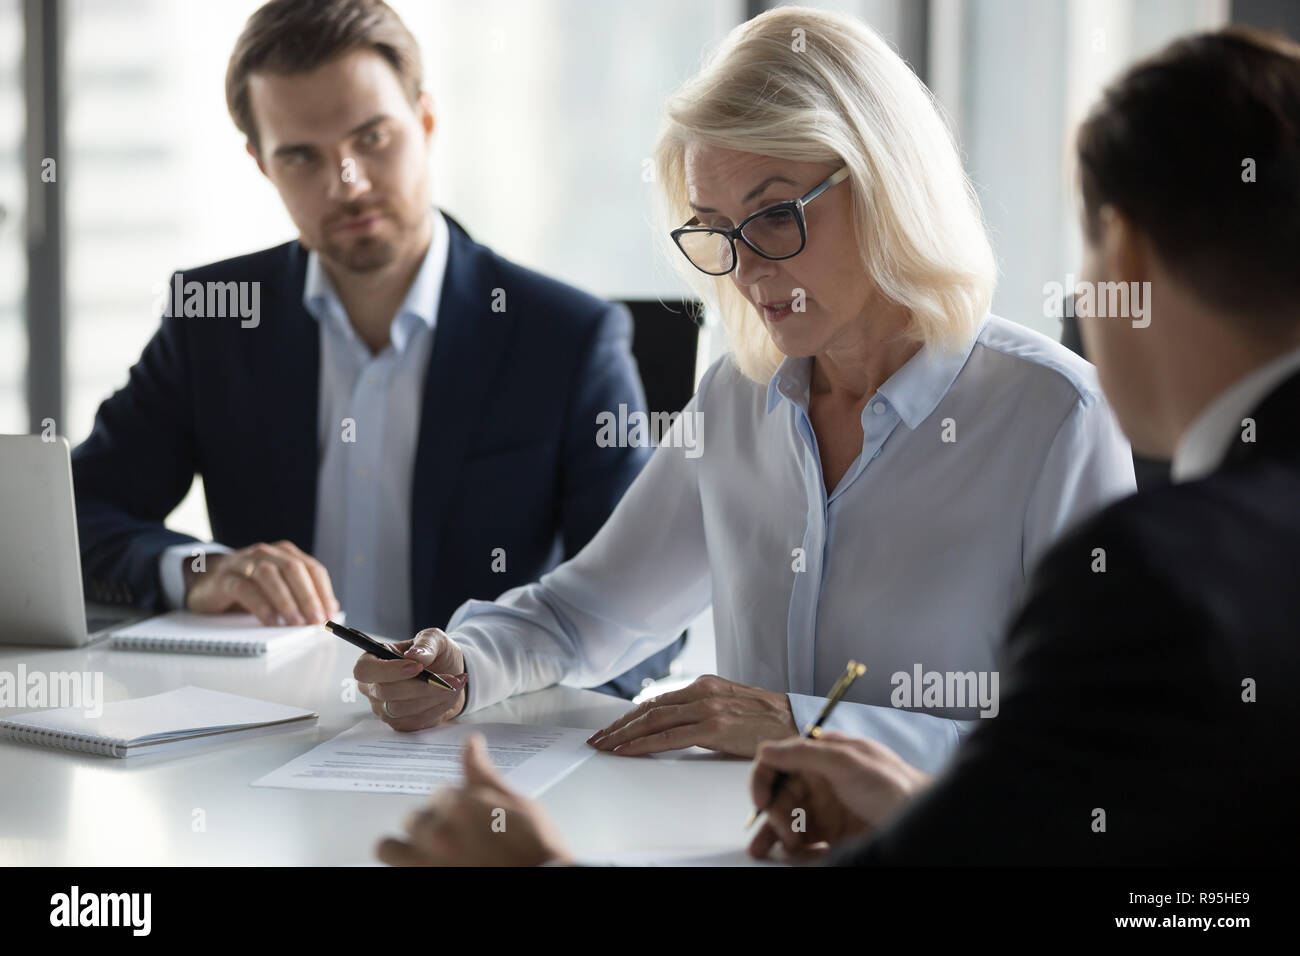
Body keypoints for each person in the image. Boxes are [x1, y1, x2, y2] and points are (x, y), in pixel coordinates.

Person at [374, 23, 1300, 871]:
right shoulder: (737, 397)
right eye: (717, 230)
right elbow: (585, 614)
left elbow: (1072, 765)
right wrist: (463, 663)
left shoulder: (1050, 414)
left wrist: (806, 727)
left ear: (885, 185)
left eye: (776, 215)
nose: (745, 268)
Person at [70, 0, 680, 698]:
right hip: (264, 736)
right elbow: (71, 525)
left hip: (482, 743)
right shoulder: (212, 318)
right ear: (261, 164)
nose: (347, 182)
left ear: (425, 120)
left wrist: (511, 695)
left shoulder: (566, 338)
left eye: (372, 138)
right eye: (302, 155)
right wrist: (200, 573)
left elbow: (645, 619)